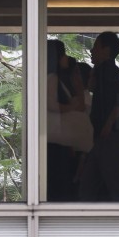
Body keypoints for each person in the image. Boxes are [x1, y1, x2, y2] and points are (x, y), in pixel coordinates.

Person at [79, 31, 119, 201]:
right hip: (103, 137)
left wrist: (108, 125)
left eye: (95, 47)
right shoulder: (103, 70)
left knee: (114, 186)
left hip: (109, 137)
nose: (91, 51)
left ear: (106, 50)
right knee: (90, 184)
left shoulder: (108, 70)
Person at [46, 40, 88, 201]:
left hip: (60, 141)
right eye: (63, 54)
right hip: (55, 141)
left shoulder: (58, 79)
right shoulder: (52, 78)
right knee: (60, 185)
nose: (66, 58)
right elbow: (51, 104)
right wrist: (71, 107)